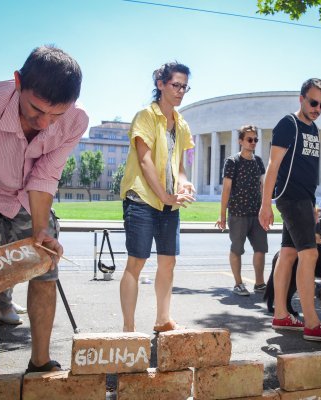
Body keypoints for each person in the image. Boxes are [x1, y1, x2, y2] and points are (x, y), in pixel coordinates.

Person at [0, 46, 88, 376]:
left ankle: (40, 361)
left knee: (45, 267)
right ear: (17, 82)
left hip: (27, 196)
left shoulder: (76, 120)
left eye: (55, 116)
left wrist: (41, 231)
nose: (43, 123)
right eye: (36, 110)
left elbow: (45, 174)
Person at [259, 78, 321, 342]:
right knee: (309, 256)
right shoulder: (288, 124)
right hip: (290, 197)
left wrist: (313, 205)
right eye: (313, 102)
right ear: (301, 98)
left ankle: (281, 314)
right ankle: (312, 323)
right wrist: (266, 205)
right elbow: (272, 166)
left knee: (288, 254)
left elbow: (306, 171)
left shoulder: (313, 129)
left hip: (304, 200)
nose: (317, 108)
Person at [119, 62, 195, 333]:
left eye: (185, 86)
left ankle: (163, 320)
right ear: (160, 84)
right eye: (176, 85)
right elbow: (145, 160)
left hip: (169, 203)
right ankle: (129, 329)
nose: (180, 91)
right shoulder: (146, 116)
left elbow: (181, 167)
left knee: (168, 261)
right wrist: (164, 195)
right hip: (141, 199)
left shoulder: (182, 123)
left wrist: (184, 186)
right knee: (136, 262)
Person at [215, 125, 268, 296]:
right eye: (249, 139)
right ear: (240, 141)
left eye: (255, 140)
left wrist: (267, 208)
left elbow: (263, 186)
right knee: (237, 249)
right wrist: (222, 214)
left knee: (261, 248)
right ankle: (238, 283)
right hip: (238, 213)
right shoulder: (232, 161)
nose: (253, 143)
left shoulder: (258, 161)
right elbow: (226, 189)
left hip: (257, 214)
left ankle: (259, 283)